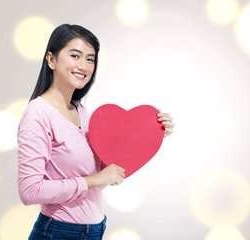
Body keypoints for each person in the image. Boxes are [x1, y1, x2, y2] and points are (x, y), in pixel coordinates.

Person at [17, 24, 175, 240]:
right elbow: (29, 191)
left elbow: (107, 171)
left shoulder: (82, 112)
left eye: (90, 59)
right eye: (75, 56)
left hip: (94, 231)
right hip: (58, 233)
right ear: (51, 60)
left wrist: (151, 134)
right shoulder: (37, 114)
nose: (83, 66)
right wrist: (94, 180)